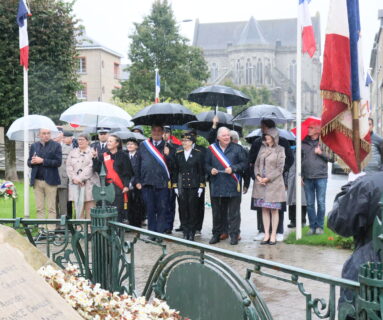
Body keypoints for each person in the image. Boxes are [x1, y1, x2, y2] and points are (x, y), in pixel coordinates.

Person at [327, 172, 383, 309]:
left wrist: (350, 187)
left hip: (371, 269)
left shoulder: (369, 184)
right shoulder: (369, 183)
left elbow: (339, 223)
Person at [249, 119, 293, 242]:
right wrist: (256, 177)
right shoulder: (258, 142)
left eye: (263, 127)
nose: (262, 129)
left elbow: (289, 160)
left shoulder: (282, 143)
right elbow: (252, 161)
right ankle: (263, 231)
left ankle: (278, 231)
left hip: (275, 180)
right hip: (260, 181)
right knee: (262, 207)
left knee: (276, 207)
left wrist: (278, 174)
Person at [205, 127, 247, 245]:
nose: (227, 137)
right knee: (217, 212)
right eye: (224, 135)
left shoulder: (238, 149)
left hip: (233, 184)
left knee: (234, 212)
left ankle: (234, 235)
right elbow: (205, 165)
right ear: (218, 137)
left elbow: (244, 164)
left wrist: (233, 168)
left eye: (228, 135)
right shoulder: (211, 149)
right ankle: (217, 234)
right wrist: (210, 170)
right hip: (217, 184)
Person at [136, 125, 173, 234]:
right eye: (154, 130)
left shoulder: (168, 146)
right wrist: (138, 181)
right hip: (147, 182)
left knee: (162, 209)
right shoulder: (143, 145)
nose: (156, 133)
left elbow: (173, 166)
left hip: (162, 184)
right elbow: (138, 164)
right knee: (150, 210)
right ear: (151, 132)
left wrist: (168, 155)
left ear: (162, 132)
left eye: (159, 131)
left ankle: (160, 233)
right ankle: (151, 233)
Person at [252, 128, 286, 245]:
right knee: (264, 209)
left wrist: (267, 178)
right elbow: (256, 164)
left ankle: (273, 234)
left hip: (274, 185)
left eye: (268, 135)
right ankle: (266, 233)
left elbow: (280, 169)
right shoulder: (262, 148)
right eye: (265, 135)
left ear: (274, 137)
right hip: (260, 184)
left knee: (274, 210)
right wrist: (258, 177)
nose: (266, 137)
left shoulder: (280, 150)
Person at [172, 132, 205, 241]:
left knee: (193, 209)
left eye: (186, 141)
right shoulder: (178, 154)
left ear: (191, 142)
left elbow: (201, 171)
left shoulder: (198, 154)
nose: (184, 143)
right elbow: (175, 171)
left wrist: (201, 186)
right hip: (182, 185)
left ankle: (192, 231)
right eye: (183, 141)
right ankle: (185, 231)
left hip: (194, 185)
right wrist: (175, 186)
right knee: (183, 209)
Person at [92, 134, 133, 222]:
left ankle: (117, 232)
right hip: (106, 187)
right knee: (107, 210)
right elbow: (98, 170)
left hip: (118, 187)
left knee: (117, 211)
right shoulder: (104, 155)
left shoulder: (123, 155)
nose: (108, 143)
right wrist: (95, 158)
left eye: (111, 141)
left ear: (117, 143)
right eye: (108, 141)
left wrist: (126, 185)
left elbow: (127, 172)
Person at [27, 128, 62, 231]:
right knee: (39, 208)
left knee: (51, 208)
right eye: (44, 133)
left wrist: (42, 161)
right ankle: (41, 230)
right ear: (39, 135)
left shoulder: (56, 145)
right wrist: (32, 162)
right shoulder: (34, 146)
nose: (46, 135)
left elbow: (58, 162)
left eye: (48, 133)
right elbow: (29, 162)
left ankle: (51, 230)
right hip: (37, 180)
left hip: (51, 180)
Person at [219, 130, 250, 241]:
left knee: (234, 210)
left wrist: (246, 184)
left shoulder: (242, 150)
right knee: (223, 209)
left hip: (235, 182)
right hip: (222, 183)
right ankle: (224, 231)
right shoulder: (221, 150)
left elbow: (246, 168)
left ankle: (235, 232)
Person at [302, 123, 332, 235]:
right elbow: (299, 161)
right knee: (309, 203)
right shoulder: (303, 143)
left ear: (318, 130)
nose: (308, 129)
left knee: (321, 202)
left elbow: (333, 158)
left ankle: (320, 227)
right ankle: (312, 226)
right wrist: (300, 176)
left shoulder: (324, 142)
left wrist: (321, 153)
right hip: (307, 177)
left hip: (321, 177)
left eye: (311, 127)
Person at [67, 134, 99, 219]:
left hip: (89, 184)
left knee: (90, 210)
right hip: (75, 184)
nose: (80, 141)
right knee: (78, 210)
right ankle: (79, 229)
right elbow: (69, 166)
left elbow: (91, 167)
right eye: (79, 139)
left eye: (82, 139)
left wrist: (80, 178)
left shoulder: (93, 152)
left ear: (88, 141)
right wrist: (74, 178)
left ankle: (89, 230)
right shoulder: (73, 152)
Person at [125, 137, 145, 227]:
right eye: (128, 144)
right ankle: (130, 221)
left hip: (138, 182)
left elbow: (141, 170)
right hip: (126, 182)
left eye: (132, 144)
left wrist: (137, 181)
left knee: (138, 203)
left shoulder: (140, 155)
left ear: (136, 146)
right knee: (128, 203)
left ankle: (138, 223)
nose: (129, 146)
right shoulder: (124, 155)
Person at [287, 143, 307, 228]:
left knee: (302, 199)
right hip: (291, 177)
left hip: (301, 177)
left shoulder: (304, 149)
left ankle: (302, 220)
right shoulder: (290, 149)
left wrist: (304, 175)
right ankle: (292, 220)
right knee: (291, 199)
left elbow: (306, 163)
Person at [56, 131, 73, 224]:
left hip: (66, 179)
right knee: (54, 204)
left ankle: (65, 223)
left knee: (65, 203)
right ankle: (55, 223)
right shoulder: (54, 147)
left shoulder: (72, 148)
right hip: (54, 179)